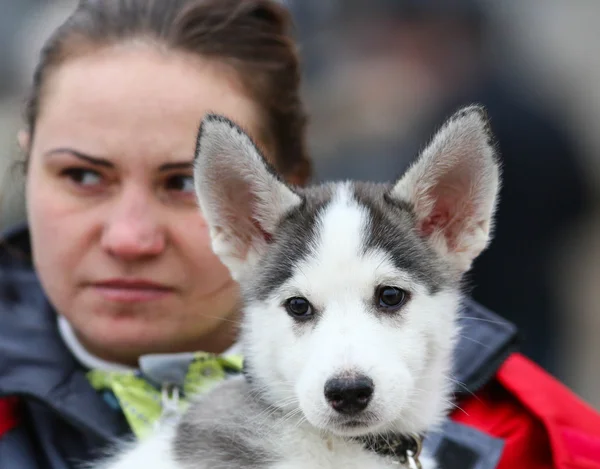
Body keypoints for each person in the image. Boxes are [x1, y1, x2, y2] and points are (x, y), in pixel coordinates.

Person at [0, 1, 598, 469]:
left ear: (277, 193)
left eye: (182, 182)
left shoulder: (544, 440)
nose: (130, 237)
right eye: (81, 174)